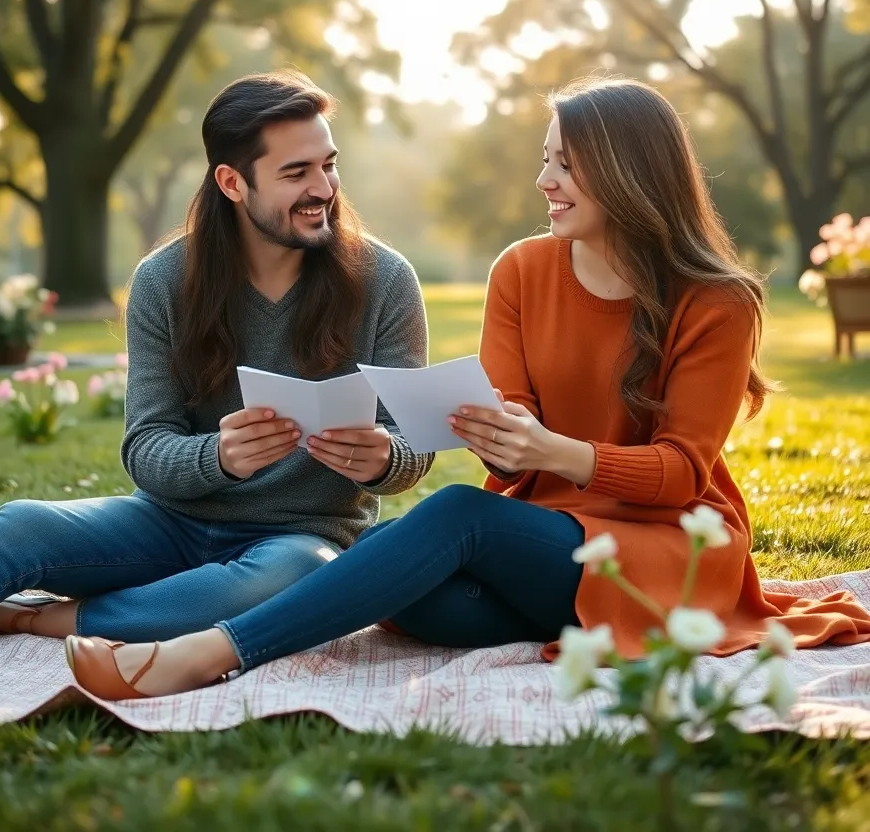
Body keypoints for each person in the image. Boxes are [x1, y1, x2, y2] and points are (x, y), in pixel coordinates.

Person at [64, 77, 870, 700]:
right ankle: (597, 619)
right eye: (547, 158)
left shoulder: (717, 299)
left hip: (665, 545)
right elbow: (512, 435)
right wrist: (495, 430)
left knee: (449, 518)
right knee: (393, 580)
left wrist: (556, 450)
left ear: (624, 173)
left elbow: (682, 473)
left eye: (563, 161)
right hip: (543, 536)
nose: (543, 178)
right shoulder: (521, 270)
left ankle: (204, 656)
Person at [0, 70, 433, 644]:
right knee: (18, 527)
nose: (323, 188)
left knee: (303, 575)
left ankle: (37, 619)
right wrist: (220, 456)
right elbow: (145, 448)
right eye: (296, 173)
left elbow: (414, 445)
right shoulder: (163, 279)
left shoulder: (385, 280)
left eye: (328, 164)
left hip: (299, 537)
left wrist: (385, 457)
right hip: (167, 524)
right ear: (232, 182)